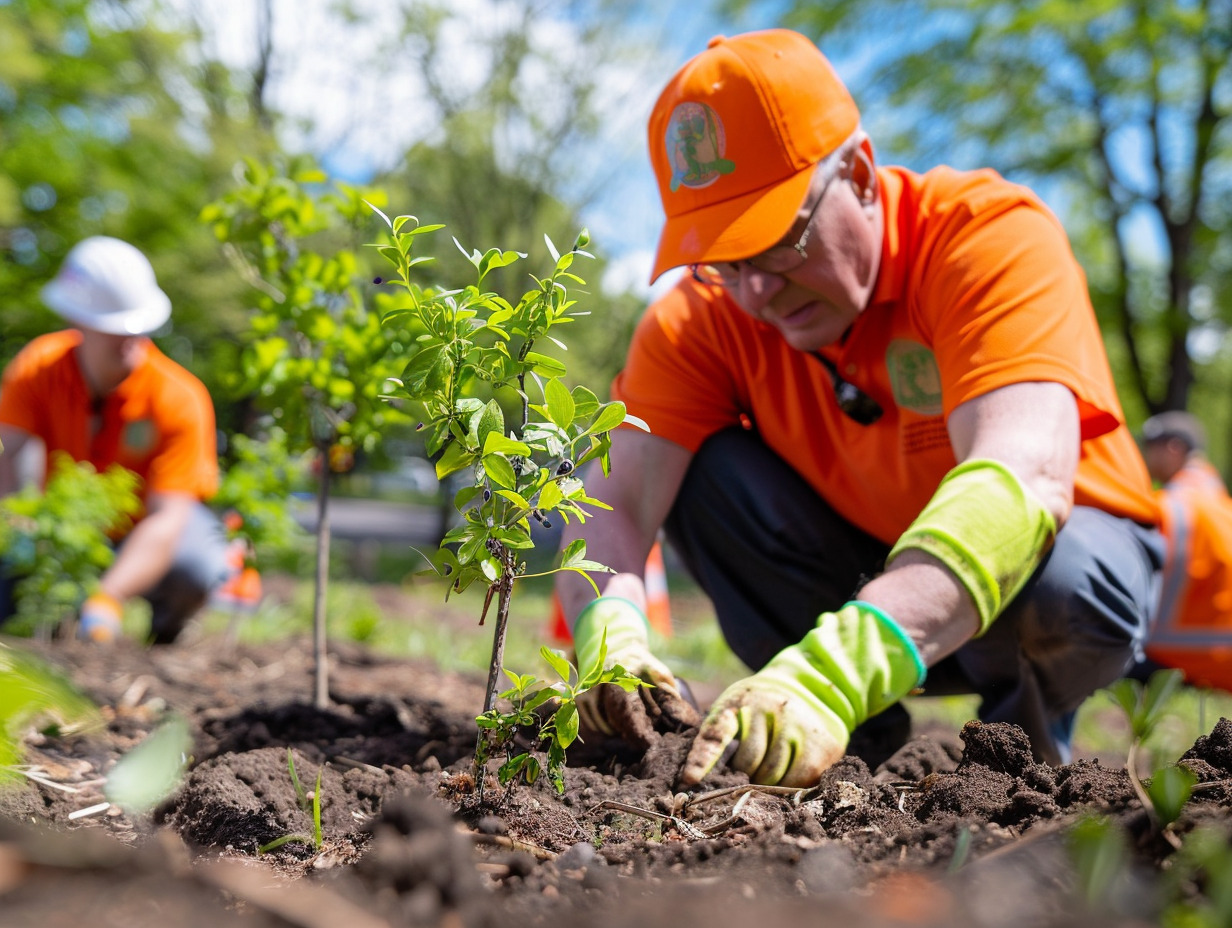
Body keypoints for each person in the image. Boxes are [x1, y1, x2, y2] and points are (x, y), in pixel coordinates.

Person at [556, 29, 1166, 788]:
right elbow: (611, 497)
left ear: (863, 176)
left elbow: (1022, 480)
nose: (756, 292)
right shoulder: (703, 317)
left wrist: (837, 669)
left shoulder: (985, 239)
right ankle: (848, 749)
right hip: (871, 566)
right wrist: (607, 630)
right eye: (724, 257)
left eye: (779, 240)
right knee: (705, 475)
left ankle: (1021, 761)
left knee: (1067, 584)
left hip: (1051, 572)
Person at [0, 236, 231, 643]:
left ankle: (165, 637)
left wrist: (109, 596)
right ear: (78, 321)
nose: (130, 338)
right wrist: (25, 538)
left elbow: (169, 517)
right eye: (114, 328)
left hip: (142, 531)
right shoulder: (38, 369)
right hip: (60, 530)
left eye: (139, 326)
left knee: (200, 559)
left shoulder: (180, 397)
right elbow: (11, 468)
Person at [1140, 411, 1228, 497]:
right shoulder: (1210, 482)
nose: (1145, 454)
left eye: (1150, 447)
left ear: (1174, 448)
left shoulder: (1180, 493)